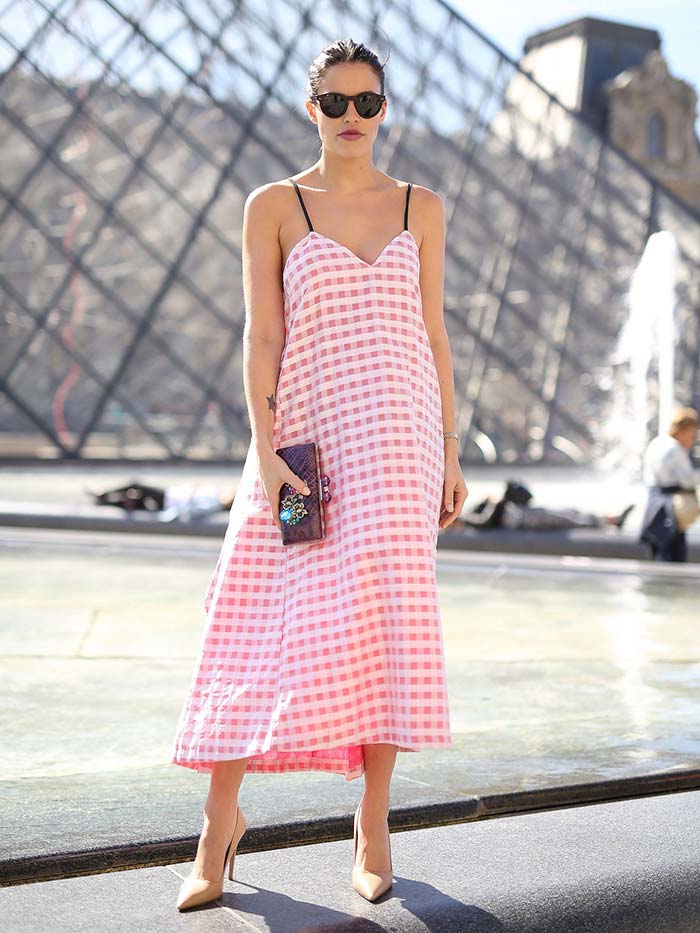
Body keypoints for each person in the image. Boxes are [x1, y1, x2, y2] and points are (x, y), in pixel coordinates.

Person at [170, 38, 468, 911]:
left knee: (386, 626)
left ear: (386, 109)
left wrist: (449, 447)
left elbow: (433, 332)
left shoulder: (423, 206)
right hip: (303, 441)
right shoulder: (274, 205)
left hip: (399, 442)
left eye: (366, 103)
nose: (350, 118)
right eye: (335, 102)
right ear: (312, 109)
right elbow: (262, 338)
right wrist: (263, 448)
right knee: (251, 618)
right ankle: (217, 823)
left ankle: (373, 825)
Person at [455, 480, 635, 531]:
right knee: (564, 518)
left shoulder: (466, 512)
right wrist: (496, 503)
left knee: (568, 511)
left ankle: (611, 518)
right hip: (523, 519)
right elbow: (485, 522)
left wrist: (491, 501)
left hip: (522, 513)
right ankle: (611, 520)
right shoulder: (465, 519)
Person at [639, 406, 699, 562]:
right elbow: (688, 479)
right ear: (681, 430)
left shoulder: (657, 442)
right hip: (670, 506)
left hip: (655, 503)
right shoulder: (674, 449)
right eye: (691, 435)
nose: (692, 441)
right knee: (672, 554)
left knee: (658, 548)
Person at [89, 481, 235, 521]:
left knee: (136, 486)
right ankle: (105, 501)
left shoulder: (214, 505)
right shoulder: (215, 493)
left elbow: (192, 510)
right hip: (171, 494)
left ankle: (104, 495)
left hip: (169, 501)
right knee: (137, 502)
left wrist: (190, 495)